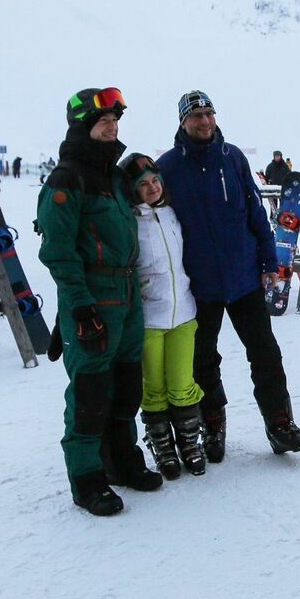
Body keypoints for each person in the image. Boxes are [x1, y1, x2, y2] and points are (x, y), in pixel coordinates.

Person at [156, 90, 300, 460]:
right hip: (199, 285)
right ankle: (213, 425)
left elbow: (257, 213)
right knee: (203, 360)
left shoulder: (233, 158)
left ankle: (280, 423)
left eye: (209, 113)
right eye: (196, 116)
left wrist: (269, 262)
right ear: (182, 121)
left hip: (244, 279)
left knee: (265, 353)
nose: (205, 121)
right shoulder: (168, 167)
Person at [37, 86, 160, 517]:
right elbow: (58, 252)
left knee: (127, 386)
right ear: (82, 127)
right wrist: (80, 307)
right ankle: (87, 478)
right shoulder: (67, 181)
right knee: (90, 391)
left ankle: (122, 461)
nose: (112, 127)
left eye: (115, 121)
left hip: (127, 296)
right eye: (103, 121)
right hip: (94, 297)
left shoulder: (112, 176)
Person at [123, 152, 209, 478]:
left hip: (183, 314)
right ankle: (163, 447)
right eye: (143, 184)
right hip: (149, 319)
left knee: (182, 384)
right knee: (153, 389)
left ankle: (189, 442)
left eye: (155, 181)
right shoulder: (129, 220)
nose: (152, 188)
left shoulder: (172, 214)